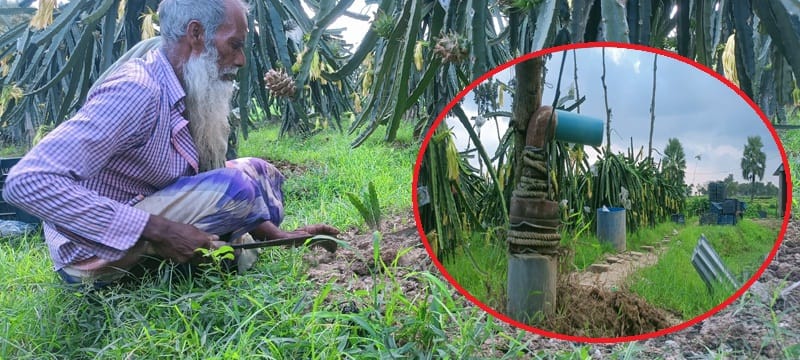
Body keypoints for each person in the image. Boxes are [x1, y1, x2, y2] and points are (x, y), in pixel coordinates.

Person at [3, 0, 338, 287]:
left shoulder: (189, 87)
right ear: (196, 35)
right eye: (234, 45)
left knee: (259, 173)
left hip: (144, 206)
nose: (240, 61)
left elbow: (207, 174)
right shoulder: (136, 90)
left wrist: (279, 238)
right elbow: (27, 182)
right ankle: (208, 254)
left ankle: (223, 248)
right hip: (90, 253)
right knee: (236, 188)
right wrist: (162, 232)